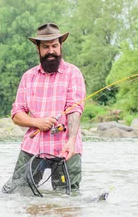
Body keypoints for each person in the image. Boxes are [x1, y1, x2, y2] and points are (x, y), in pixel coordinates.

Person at [6, 22, 86, 192]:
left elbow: (74, 110)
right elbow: (16, 114)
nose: (51, 51)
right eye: (46, 47)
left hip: (66, 148)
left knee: (67, 202)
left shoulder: (73, 73)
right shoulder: (28, 77)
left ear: (61, 46)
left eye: (54, 46)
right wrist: (37, 122)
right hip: (33, 147)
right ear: (38, 49)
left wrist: (71, 141)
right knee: (17, 194)